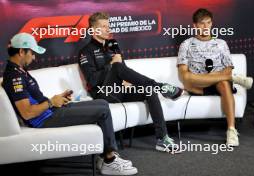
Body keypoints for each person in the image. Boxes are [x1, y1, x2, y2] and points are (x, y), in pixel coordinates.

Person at [2, 33, 138, 175]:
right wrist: (50, 102)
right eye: (32, 53)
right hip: (45, 119)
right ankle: (109, 161)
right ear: (21, 51)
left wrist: (57, 99)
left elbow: (33, 101)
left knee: (102, 103)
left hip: (50, 111)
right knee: (102, 111)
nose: (34, 57)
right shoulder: (14, 76)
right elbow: (27, 112)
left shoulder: (19, 71)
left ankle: (105, 156)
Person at [78, 12, 184, 155]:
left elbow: (124, 71)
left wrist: (126, 79)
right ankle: (160, 86)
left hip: (120, 90)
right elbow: (92, 80)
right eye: (103, 27)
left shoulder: (113, 47)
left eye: (108, 26)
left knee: (148, 90)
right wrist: (111, 66)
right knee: (117, 66)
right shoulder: (85, 52)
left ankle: (162, 138)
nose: (108, 29)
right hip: (103, 95)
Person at [177, 8, 253, 146]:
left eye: (208, 23)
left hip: (216, 84)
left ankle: (231, 130)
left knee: (223, 83)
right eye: (202, 23)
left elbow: (228, 69)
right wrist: (225, 76)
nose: (206, 27)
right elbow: (184, 75)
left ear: (212, 23)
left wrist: (222, 76)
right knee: (189, 78)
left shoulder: (221, 43)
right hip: (197, 82)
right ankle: (235, 79)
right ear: (195, 25)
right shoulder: (186, 44)